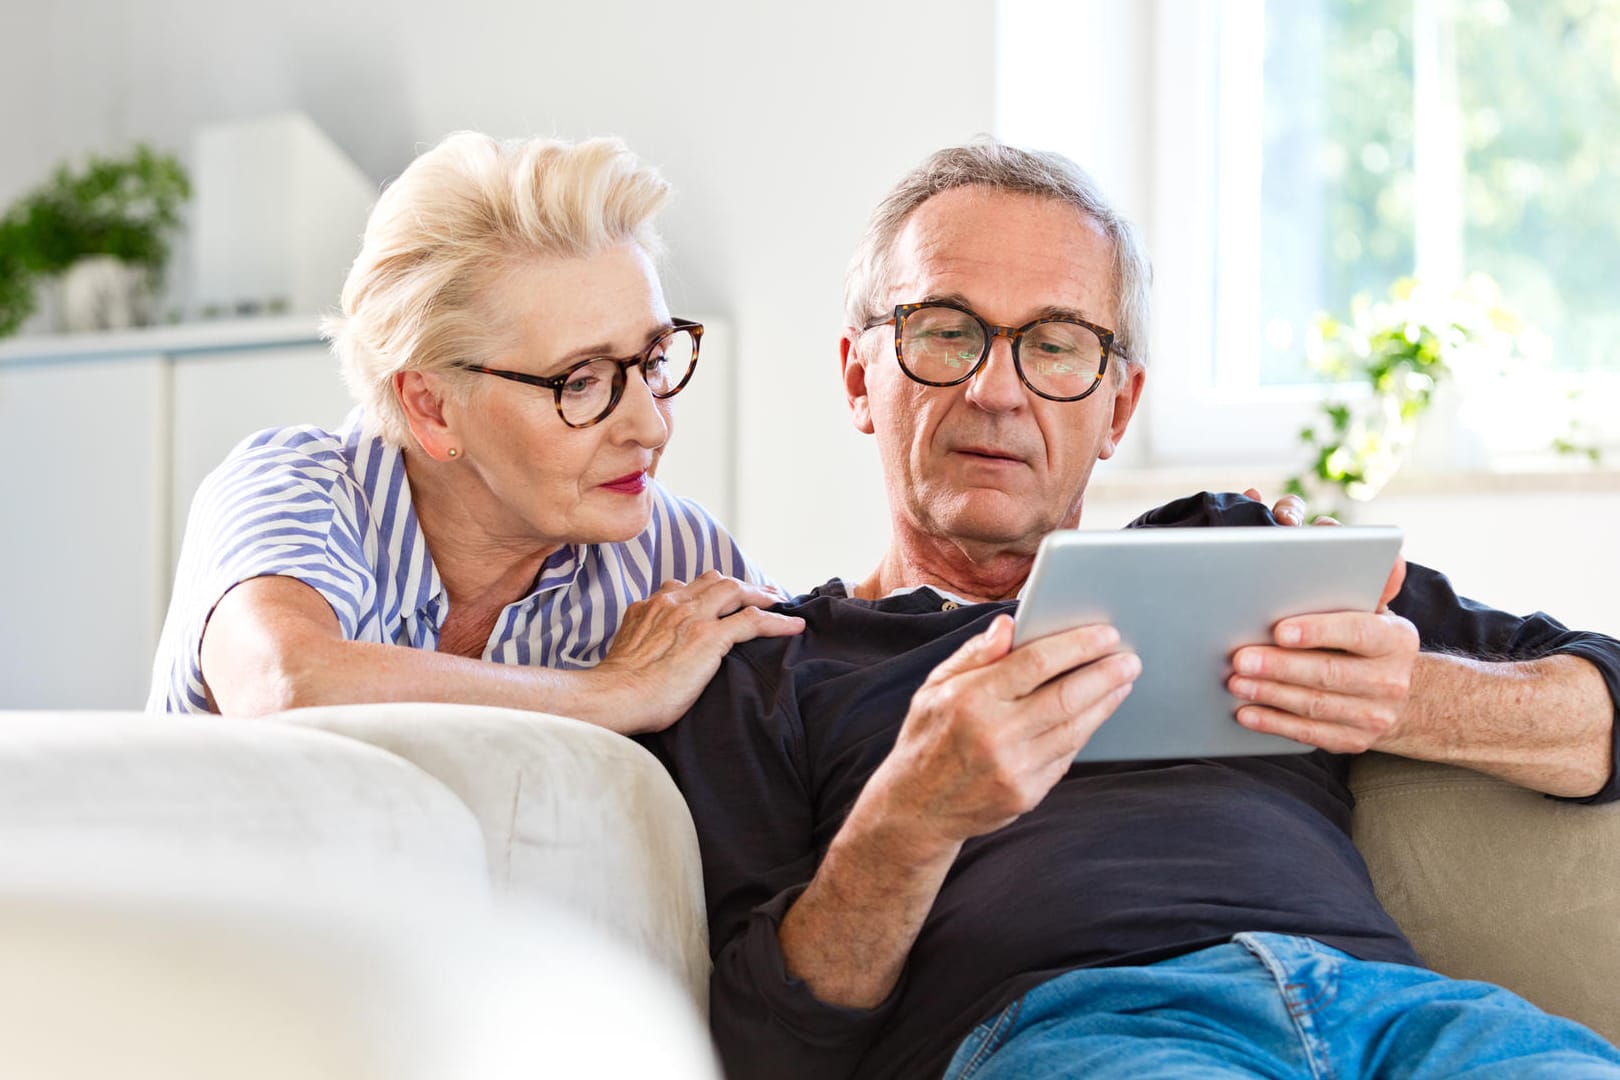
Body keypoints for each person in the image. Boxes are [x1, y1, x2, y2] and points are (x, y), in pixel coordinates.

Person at [640, 143, 1620, 1079]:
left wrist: (1415, 699)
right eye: (946, 332)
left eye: (1055, 347)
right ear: (862, 375)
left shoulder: (1242, 548)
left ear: (1117, 407)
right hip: (1080, 1027)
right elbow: (765, 1049)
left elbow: (1601, 704)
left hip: (1396, 1011)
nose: (994, 391)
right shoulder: (767, 667)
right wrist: (908, 820)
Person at [147, 132, 804, 730]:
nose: (650, 424)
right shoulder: (293, 491)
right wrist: (615, 694)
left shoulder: (677, 556)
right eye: (580, 381)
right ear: (431, 407)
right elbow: (288, 685)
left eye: (655, 361)